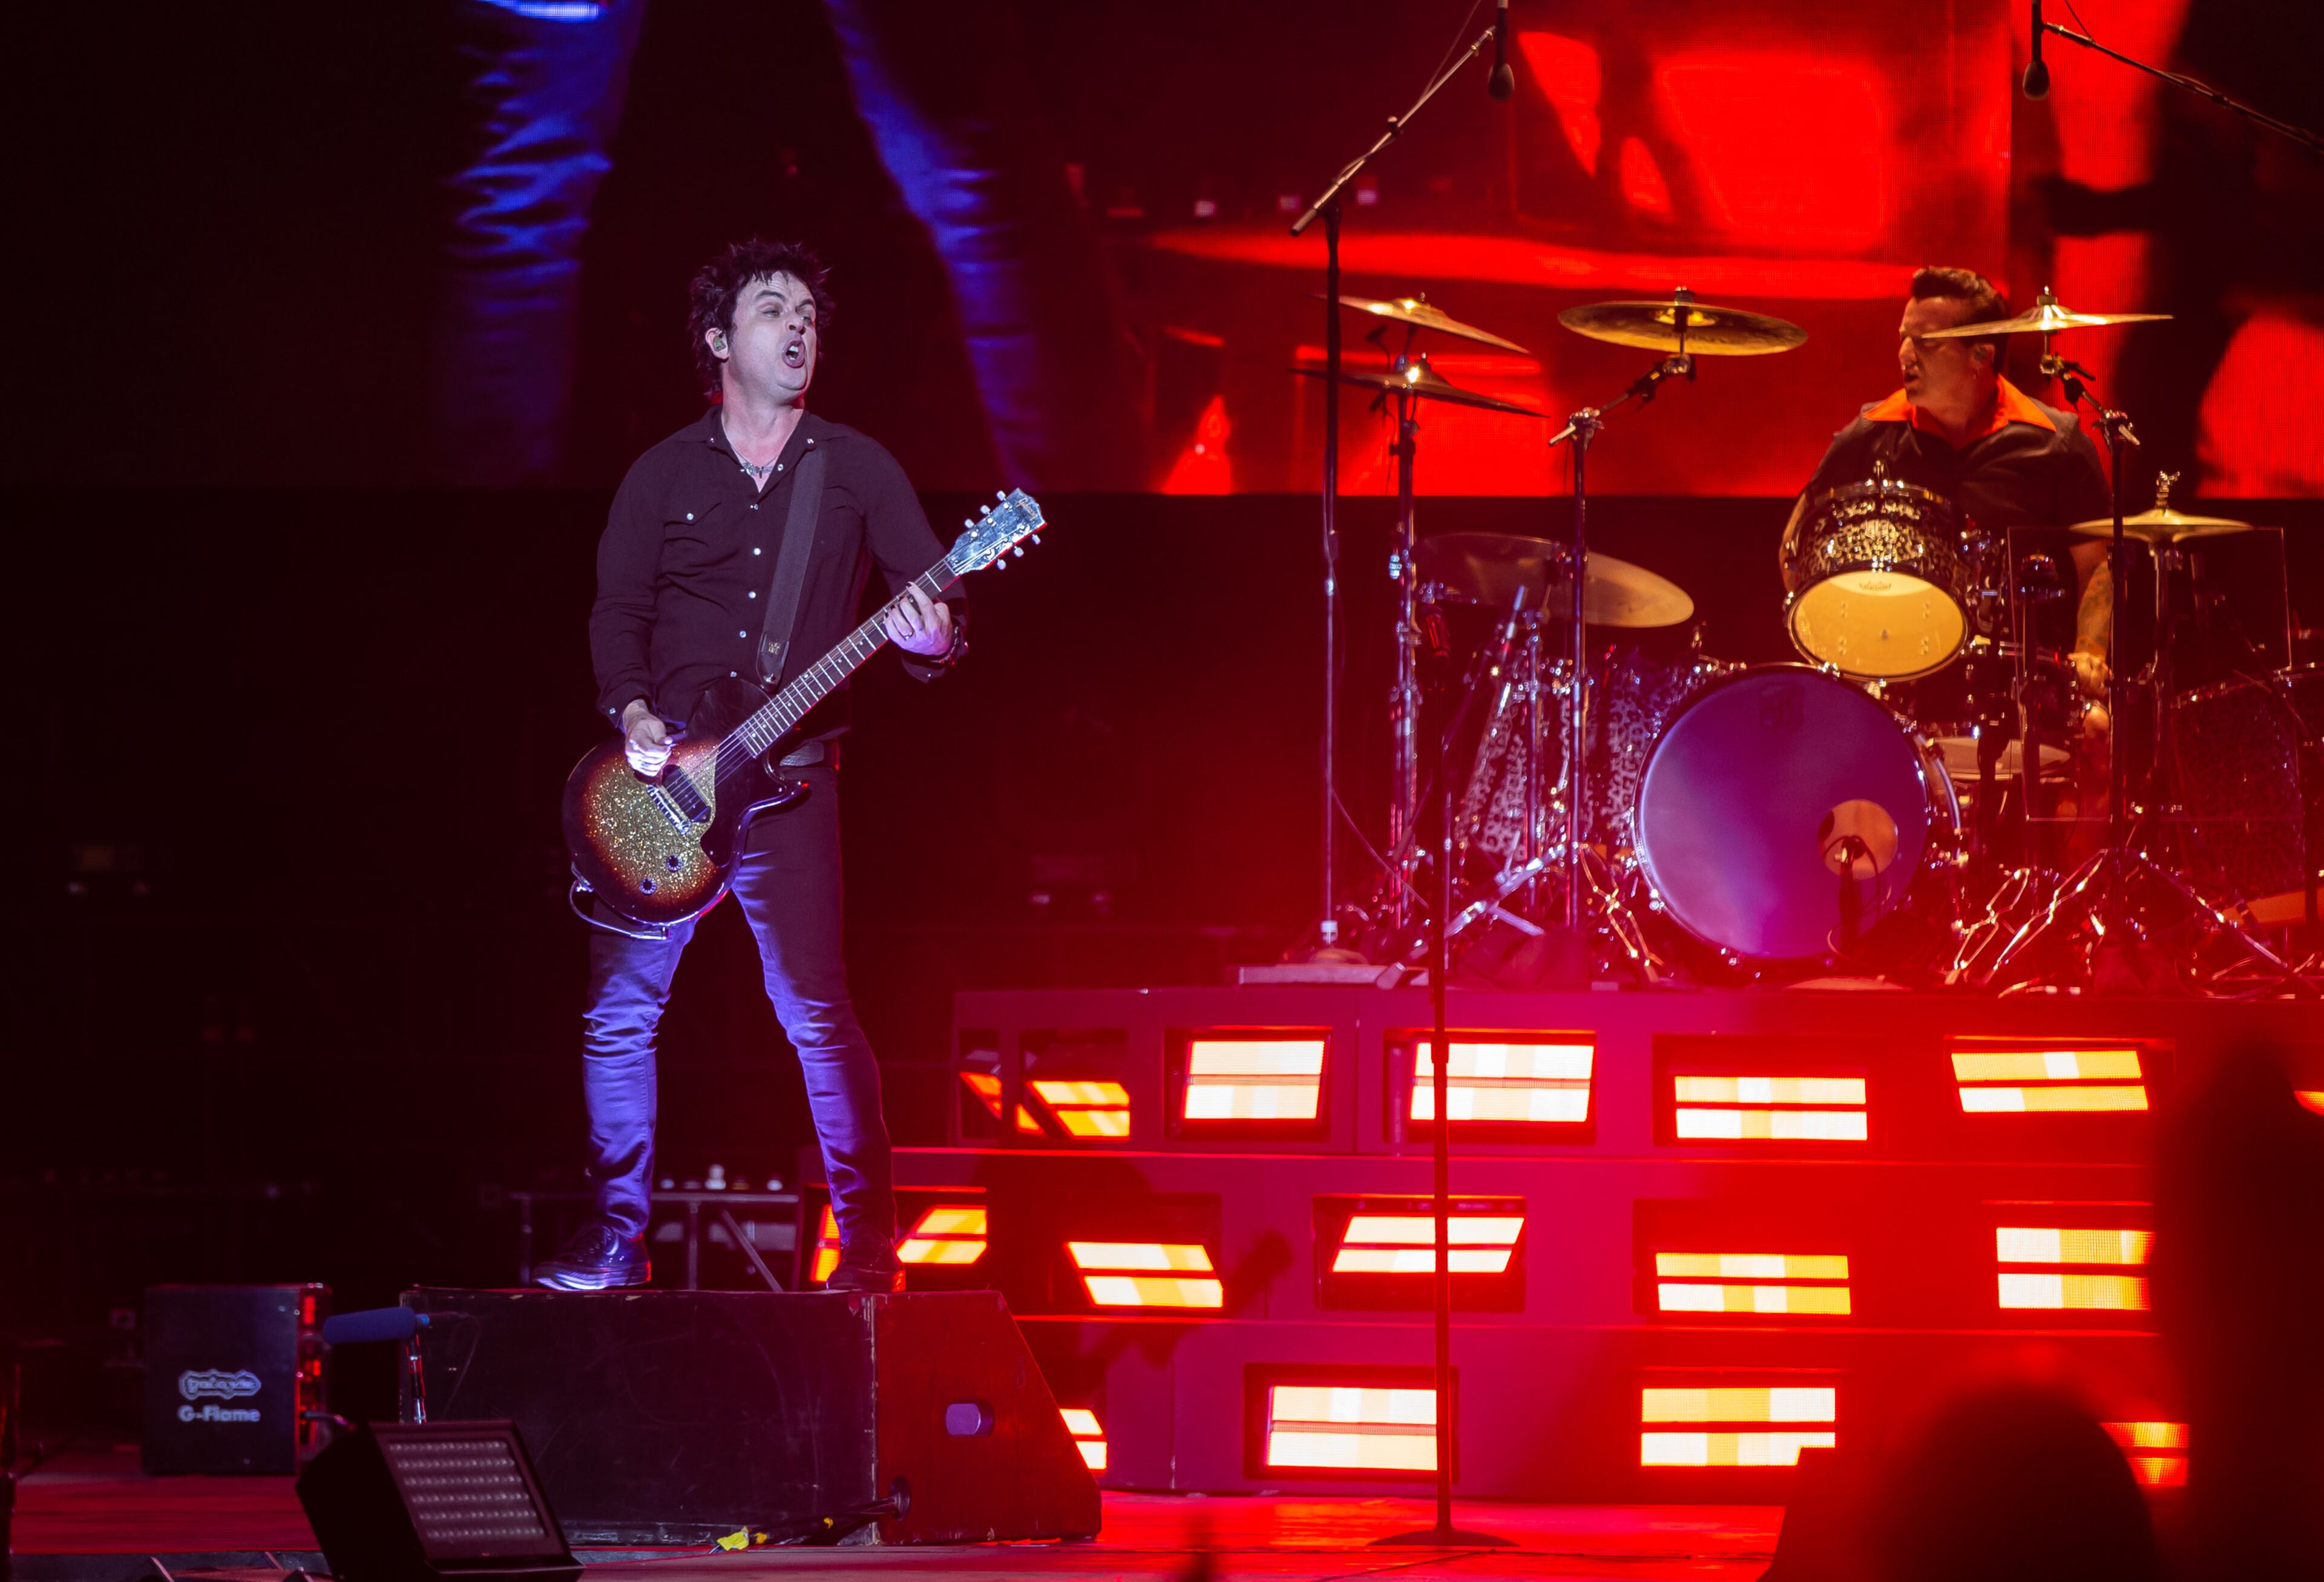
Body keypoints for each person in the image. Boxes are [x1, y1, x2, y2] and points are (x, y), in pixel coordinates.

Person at [534, 238, 964, 1293]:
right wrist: (631, 708)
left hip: (789, 781)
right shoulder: (661, 471)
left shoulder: (855, 466)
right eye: (777, 308)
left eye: (811, 311)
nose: (801, 324)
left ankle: (869, 1243)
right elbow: (616, 608)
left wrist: (932, 635)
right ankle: (612, 1233)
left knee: (817, 1010)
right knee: (618, 1015)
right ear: (724, 340)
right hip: (662, 786)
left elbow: (941, 610)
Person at [1780, 267, 2118, 842]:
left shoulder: (2055, 440)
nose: (1904, 353)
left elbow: (2100, 564)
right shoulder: (1871, 433)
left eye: (1925, 342)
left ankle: (2078, 916)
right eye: (1904, 336)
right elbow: (1797, 543)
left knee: (2102, 736)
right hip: (1900, 681)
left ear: (1980, 355)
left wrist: (2088, 655)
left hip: (2026, 680)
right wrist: (1834, 644)